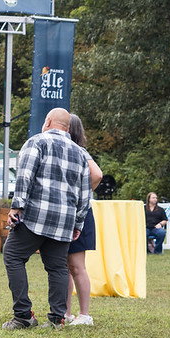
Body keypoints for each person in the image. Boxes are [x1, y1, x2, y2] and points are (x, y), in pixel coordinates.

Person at [2, 108, 91, 330]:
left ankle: (23, 316)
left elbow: (25, 176)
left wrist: (17, 207)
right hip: (64, 221)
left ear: (48, 121)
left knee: (13, 255)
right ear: (67, 127)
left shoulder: (37, 142)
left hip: (35, 216)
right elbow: (85, 193)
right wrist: (78, 223)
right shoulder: (80, 153)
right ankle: (57, 320)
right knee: (58, 268)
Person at [64, 114, 103, 326]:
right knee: (64, 266)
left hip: (80, 214)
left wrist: (82, 194)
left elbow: (97, 174)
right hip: (66, 214)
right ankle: (67, 313)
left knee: (77, 266)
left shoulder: (79, 151)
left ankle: (85, 314)